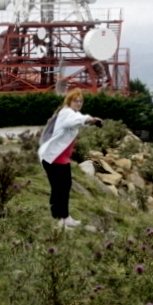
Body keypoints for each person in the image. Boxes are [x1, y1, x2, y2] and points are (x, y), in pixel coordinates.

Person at [37, 89, 101, 228]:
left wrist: (91, 121)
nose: (78, 103)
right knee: (59, 189)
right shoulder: (66, 113)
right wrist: (88, 119)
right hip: (53, 158)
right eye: (75, 101)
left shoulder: (72, 113)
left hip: (62, 159)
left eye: (80, 101)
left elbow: (78, 119)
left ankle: (65, 217)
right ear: (69, 101)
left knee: (65, 187)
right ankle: (58, 219)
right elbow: (71, 122)